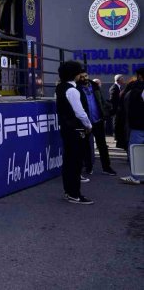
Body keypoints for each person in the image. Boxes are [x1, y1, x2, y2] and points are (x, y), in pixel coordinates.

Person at [56, 61, 94, 204]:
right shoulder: (72, 90)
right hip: (76, 129)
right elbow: (80, 112)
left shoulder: (60, 87)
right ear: (75, 74)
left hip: (66, 129)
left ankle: (69, 192)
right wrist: (88, 125)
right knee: (75, 163)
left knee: (68, 161)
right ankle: (74, 194)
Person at [77, 72, 116, 176]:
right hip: (85, 123)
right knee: (85, 146)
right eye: (81, 76)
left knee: (102, 145)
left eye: (85, 75)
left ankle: (106, 167)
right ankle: (88, 168)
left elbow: (101, 101)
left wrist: (105, 113)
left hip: (98, 120)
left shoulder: (94, 86)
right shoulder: (77, 89)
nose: (84, 78)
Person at [120, 67, 144, 185]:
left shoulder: (136, 89)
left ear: (139, 76)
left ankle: (136, 177)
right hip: (138, 124)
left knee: (135, 150)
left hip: (138, 125)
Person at [110, 74, 126, 145]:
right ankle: (116, 138)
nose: (123, 80)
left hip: (119, 110)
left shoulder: (118, 87)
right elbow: (113, 99)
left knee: (119, 124)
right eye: (122, 79)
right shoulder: (114, 87)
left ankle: (119, 138)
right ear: (118, 80)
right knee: (116, 123)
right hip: (116, 110)